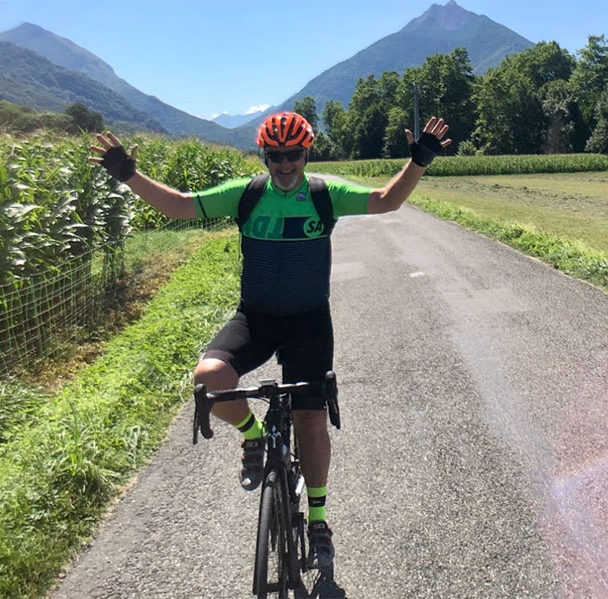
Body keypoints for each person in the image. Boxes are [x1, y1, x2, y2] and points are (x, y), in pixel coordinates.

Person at [89, 112, 451, 568]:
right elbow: (179, 205)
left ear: (306, 153)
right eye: (275, 155)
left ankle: (318, 518)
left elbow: (384, 201)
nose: (284, 163)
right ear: (265, 156)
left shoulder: (323, 195)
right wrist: (129, 175)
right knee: (209, 377)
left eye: (293, 154)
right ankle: (254, 436)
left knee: (311, 421)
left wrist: (419, 160)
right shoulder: (247, 195)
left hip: (308, 323)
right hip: (256, 318)